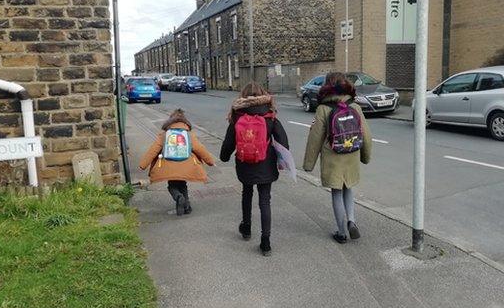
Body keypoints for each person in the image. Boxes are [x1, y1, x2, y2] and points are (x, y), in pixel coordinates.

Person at [302, 72, 372, 244]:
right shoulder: (354, 106)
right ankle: (352, 221)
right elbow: (367, 135)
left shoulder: (323, 108)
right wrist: (366, 156)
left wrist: (308, 164)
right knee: (349, 187)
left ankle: (341, 233)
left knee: (336, 192)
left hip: (333, 155)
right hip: (352, 154)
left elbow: (315, 138)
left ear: (326, 85)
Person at [220, 83, 289, 256]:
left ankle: (246, 228)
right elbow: (284, 143)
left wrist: (224, 156)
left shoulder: (237, 116)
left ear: (242, 97)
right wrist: (282, 161)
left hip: (245, 164)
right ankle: (266, 241)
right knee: (265, 201)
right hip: (266, 164)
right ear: (262, 95)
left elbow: (229, 143)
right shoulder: (270, 116)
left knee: (246, 193)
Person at [138, 109, 215, 215]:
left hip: (168, 166)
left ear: (170, 121)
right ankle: (187, 206)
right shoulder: (189, 135)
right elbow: (200, 149)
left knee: (172, 185)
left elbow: (153, 150)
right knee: (183, 184)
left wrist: (143, 164)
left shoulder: (164, 135)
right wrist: (210, 161)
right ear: (185, 122)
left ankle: (178, 197)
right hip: (186, 165)